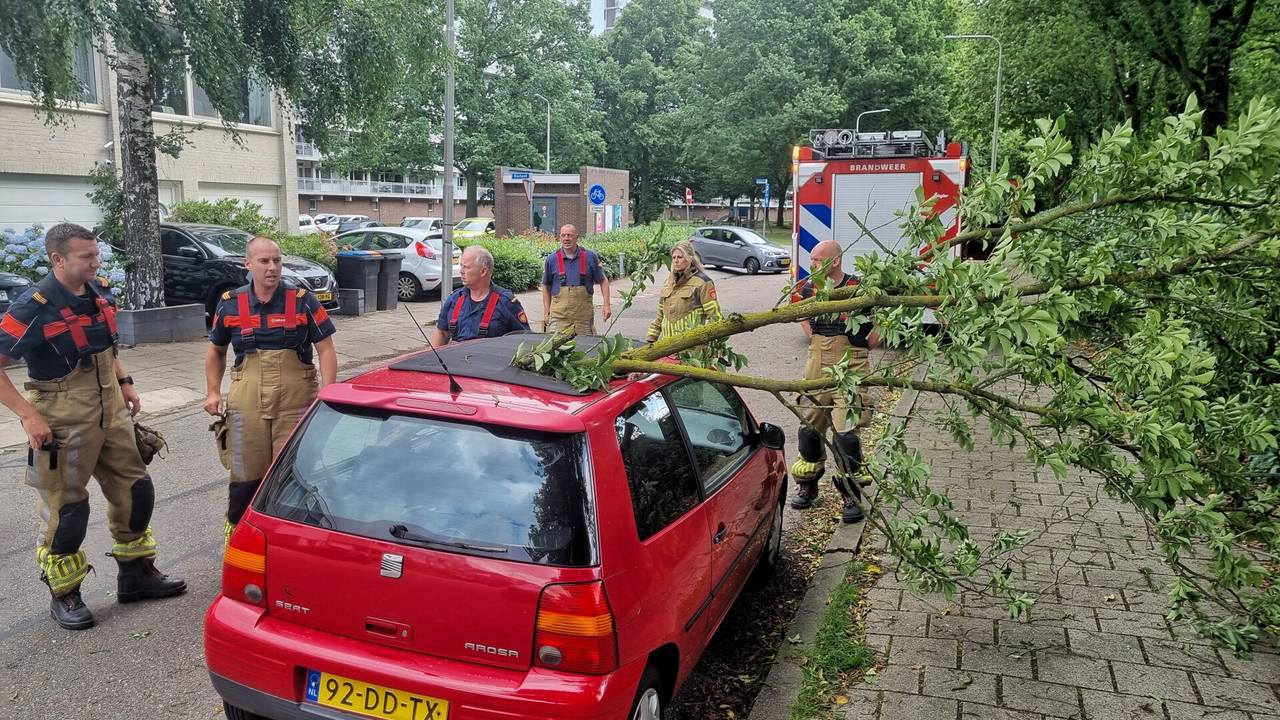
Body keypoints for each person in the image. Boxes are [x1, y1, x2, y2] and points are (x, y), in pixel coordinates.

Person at [0, 222, 185, 630]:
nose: (95, 262)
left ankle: (136, 575)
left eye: (96, 254)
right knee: (68, 509)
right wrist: (29, 416)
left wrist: (124, 381)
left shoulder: (99, 290)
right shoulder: (32, 306)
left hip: (111, 408)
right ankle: (65, 593)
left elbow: (105, 344)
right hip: (62, 416)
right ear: (58, 259)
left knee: (137, 489)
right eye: (87, 256)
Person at [205, 236, 337, 543]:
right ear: (248, 265)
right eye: (264, 261)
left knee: (294, 474)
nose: (272, 267)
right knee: (244, 476)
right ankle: (238, 539)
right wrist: (212, 391)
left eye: (277, 260)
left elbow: (326, 349)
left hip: (296, 400)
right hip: (245, 401)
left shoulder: (303, 299)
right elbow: (215, 351)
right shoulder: (230, 303)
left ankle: (289, 543)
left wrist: (328, 395)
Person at [789, 240, 879, 523]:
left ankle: (850, 494)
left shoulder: (858, 287)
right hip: (817, 365)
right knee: (809, 430)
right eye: (811, 259)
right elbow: (800, 314)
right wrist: (814, 338)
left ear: (835, 261)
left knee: (846, 435)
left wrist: (864, 347)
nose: (812, 264)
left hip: (851, 366)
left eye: (817, 260)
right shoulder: (806, 287)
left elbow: (879, 324)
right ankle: (809, 484)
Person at [432, 246, 530, 345]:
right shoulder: (454, 299)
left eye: (466, 267)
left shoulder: (506, 302)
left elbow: (524, 340)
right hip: (457, 358)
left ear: (483, 271)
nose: (461, 271)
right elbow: (442, 334)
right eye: (461, 266)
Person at [646, 239, 722, 342]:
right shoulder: (668, 283)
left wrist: (716, 346)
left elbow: (715, 317)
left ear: (690, 258)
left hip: (692, 351)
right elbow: (660, 316)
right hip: (667, 348)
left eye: (680, 257)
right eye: (674, 257)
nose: (676, 261)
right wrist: (651, 339)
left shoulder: (703, 282)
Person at [540, 224, 610, 335]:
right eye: (563, 235)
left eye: (570, 235)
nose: (566, 238)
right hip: (559, 317)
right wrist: (546, 312)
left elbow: (603, 281)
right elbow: (546, 286)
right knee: (555, 349)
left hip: (583, 317)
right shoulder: (551, 259)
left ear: (577, 237)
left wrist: (606, 305)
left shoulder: (590, 256)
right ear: (560, 238)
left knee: (584, 347)